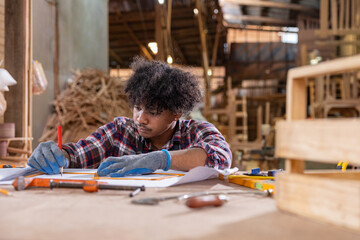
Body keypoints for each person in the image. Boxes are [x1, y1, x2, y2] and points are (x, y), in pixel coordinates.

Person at [27, 57, 232, 177]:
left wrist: (161, 159)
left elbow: (221, 159)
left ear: (176, 113)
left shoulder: (198, 131)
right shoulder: (120, 131)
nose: (140, 119)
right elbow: (81, 153)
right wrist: (59, 154)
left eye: (153, 112)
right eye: (137, 108)